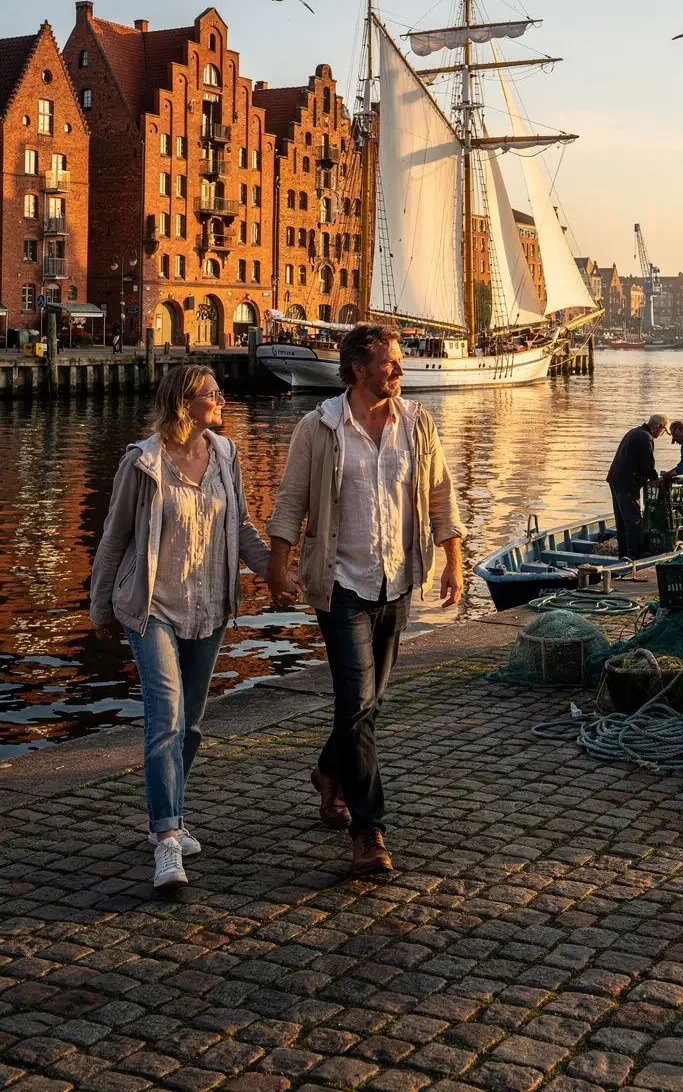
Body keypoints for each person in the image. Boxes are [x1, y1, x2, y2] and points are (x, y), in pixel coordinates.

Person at [266, 322, 465, 877]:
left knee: (366, 704)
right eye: (390, 363)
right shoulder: (320, 427)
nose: (399, 370)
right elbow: (290, 500)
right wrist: (279, 567)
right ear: (358, 367)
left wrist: (453, 560)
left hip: (398, 579)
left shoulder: (417, 425)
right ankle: (368, 828)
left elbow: (440, 493)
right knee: (357, 699)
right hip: (341, 584)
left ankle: (330, 771)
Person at [89, 365, 270, 889]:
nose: (221, 399)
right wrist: (101, 606)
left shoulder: (226, 456)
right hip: (152, 608)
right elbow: (114, 537)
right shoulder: (143, 462)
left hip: (209, 605)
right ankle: (167, 840)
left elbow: (240, 527)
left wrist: (279, 571)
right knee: (165, 716)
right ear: (183, 403)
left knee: (190, 723)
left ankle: (167, 814)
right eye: (211, 393)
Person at [606, 414, 669, 559]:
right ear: (658, 427)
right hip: (627, 483)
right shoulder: (645, 437)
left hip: (615, 479)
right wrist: (655, 478)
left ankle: (623, 555)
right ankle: (634, 557)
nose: (662, 434)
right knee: (633, 521)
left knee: (622, 520)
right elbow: (647, 465)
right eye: (663, 431)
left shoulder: (634, 432)